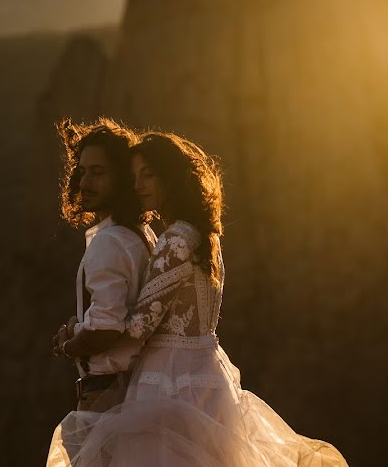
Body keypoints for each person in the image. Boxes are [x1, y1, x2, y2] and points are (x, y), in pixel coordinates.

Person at [47, 131, 349, 467]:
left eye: (149, 174)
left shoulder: (174, 240)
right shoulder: (202, 235)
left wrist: (73, 338)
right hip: (206, 374)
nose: (139, 185)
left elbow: (138, 327)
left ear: (171, 176)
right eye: (134, 177)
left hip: (170, 381)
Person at [50, 118, 156, 413]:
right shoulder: (141, 234)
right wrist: (80, 326)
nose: (84, 183)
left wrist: (68, 345)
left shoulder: (110, 241)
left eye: (98, 173)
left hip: (107, 395)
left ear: (123, 178)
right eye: (82, 172)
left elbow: (107, 328)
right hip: (134, 388)